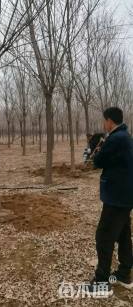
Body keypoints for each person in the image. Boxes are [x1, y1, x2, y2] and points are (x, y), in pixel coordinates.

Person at [85, 107, 133, 297]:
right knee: (122, 233)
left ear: (110, 120)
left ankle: (101, 280)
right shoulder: (124, 136)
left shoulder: (116, 138)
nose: (104, 124)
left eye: (105, 121)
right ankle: (124, 273)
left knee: (103, 236)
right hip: (125, 194)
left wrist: (95, 148)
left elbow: (98, 161)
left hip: (118, 196)